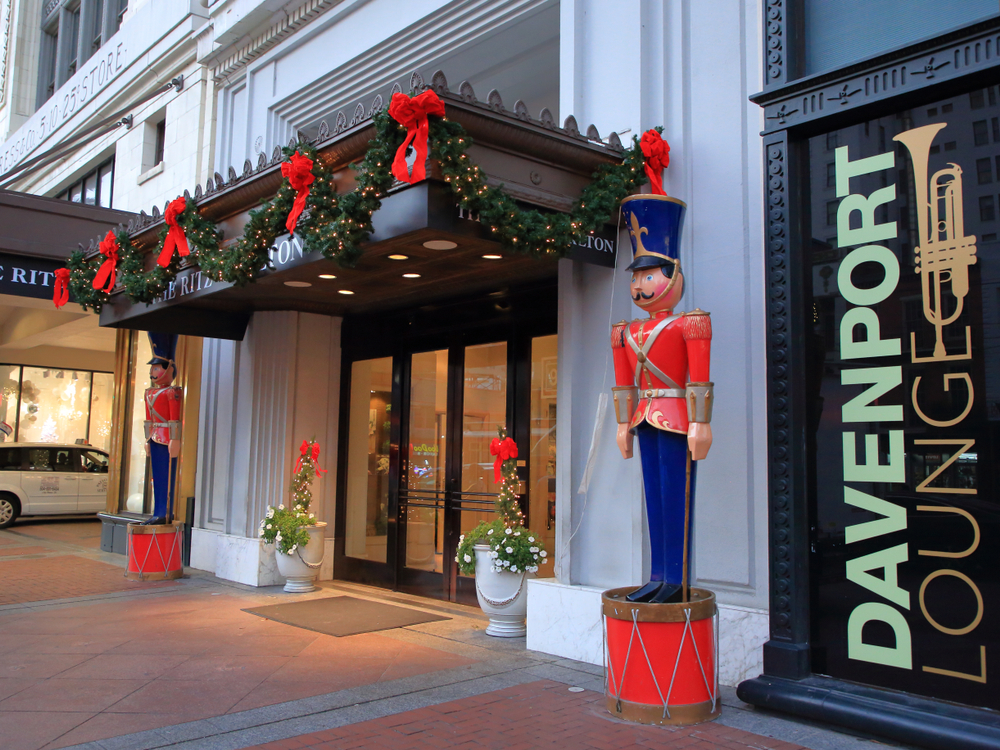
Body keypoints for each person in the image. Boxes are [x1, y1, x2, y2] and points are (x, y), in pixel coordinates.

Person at [611, 195, 713, 604]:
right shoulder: (624, 331)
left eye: (649, 276)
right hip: (643, 418)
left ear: (673, 276)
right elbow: (624, 383)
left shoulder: (691, 323)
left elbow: (700, 380)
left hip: (676, 416)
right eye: (635, 279)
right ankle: (657, 574)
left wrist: (701, 422)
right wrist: (622, 424)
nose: (639, 286)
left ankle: (676, 578)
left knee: (676, 496)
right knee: (654, 497)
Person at [142, 333, 182, 525]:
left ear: (168, 369)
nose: (153, 372)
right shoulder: (149, 392)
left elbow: (175, 419)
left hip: (166, 438)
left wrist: (176, 439)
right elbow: (148, 420)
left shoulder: (173, 392)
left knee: (166, 476)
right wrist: (147, 439)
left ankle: (165, 512)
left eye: (157, 367)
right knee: (155, 477)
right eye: (153, 368)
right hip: (155, 437)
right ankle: (157, 510)